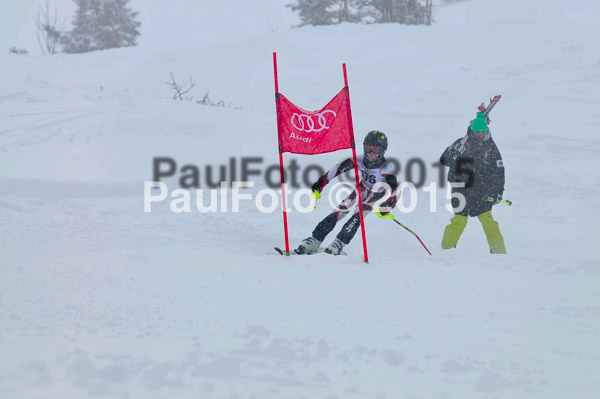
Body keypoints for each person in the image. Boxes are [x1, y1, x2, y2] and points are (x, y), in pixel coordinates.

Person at [295, 131, 399, 255]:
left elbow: (396, 190)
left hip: (376, 194)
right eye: (368, 148)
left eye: (375, 149)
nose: (371, 153)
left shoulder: (386, 168)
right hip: (362, 189)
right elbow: (337, 169)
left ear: (383, 151)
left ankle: (339, 242)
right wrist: (321, 183)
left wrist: (388, 205)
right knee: (339, 211)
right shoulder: (359, 159)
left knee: (357, 216)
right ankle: (315, 239)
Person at [440, 111, 507, 254]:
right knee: (459, 222)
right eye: (477, 133)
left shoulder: (491, 148)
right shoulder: (461, 143)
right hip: (460, 190)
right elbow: (444, 160)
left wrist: (498, 192)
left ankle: (499, 252)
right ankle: (445, 251)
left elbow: (498, 172)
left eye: (482, 133)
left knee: (489, 222)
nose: (480, 136)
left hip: (482, 192)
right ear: (472, 131)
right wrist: (454, 154)